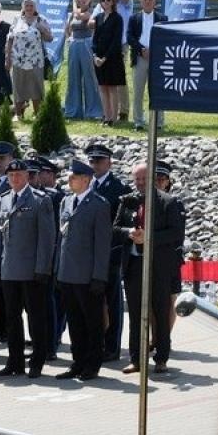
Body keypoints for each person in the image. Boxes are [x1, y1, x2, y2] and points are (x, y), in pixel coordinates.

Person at [117, 161, 185, 374]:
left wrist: (148, 238)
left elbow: (176, 233)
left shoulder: (168, 201)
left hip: (158, 267)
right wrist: (129, 232)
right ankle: (136, 359)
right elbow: (115, 227)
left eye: (144, 179)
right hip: (134, 265)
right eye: (136, 179)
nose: (139, 183)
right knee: (135, 315)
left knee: (160, 313)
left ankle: (162, 358)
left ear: (153, 179)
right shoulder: (127, 201)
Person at [0, 158, 56, 378]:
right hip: (9, 269)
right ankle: (15, 362)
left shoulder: (40, 200)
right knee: (11, 319)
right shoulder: (3, 200)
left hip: (31, 271)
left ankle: (37, 362)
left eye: (19, 175)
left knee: (36, 318)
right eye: (11, 176)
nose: (14, 179)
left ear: (28, 176)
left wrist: (43, 268)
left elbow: (46, 238)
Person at [54, 159, 112, 379]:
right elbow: (62, 239)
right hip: (68, 274)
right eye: (70, 176)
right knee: (75, 322)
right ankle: (77, 362)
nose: (69, 180)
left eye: (74, 177)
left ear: (86, 180)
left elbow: (102, 244)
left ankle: (92, 364)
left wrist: (99, 276)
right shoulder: (66, 202)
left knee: (92, 323)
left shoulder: (99, 204)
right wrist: (59, 270)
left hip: (88, 276)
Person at [87, 142, 129, 362]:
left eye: (100, 161)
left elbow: (121, 222)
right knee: (92, 301)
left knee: (112, 302)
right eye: (92, 161)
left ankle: (112, 347)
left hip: (111, 253)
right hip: (88, 254)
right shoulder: (86, 186)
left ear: (109, 163)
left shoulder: (119, 189)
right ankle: (95, 342)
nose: (96, 165)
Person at [6, 0, 52, 119]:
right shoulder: (17, 19)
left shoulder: (41, 20)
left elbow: (50, 38)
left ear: (35, 7)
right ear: (23, 7)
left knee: (36, 87)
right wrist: (8, 58)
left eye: (31, 5)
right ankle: (18, 114)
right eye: (27, 5)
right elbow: (10, 39)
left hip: (35, 60)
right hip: (18, 60)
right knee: (18, 87)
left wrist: (43, 30)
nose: (29, 8)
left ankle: (38, 114)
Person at [126, 0, 166, 130]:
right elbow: (129, 37)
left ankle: (159, 122)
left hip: (156, 59)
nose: (148, 1)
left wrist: (154, 50)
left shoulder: (162, 18)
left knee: (156, 91)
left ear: (155, 2)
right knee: (138, 91)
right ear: (141, 2)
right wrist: (141, 49)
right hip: (140, 57)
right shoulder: (134, 18)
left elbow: (165, 38)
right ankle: (138, 121)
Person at [62, 0, 103, 120]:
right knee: (73, 77)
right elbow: (67, 28)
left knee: (89, 77)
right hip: (75, 45)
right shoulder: (72, 14)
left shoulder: (90, 12)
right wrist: (69, 38)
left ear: (90, 0)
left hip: (87, 45)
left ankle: (93, 110)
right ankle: (74, 109)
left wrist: (74, 4)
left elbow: (79, 16)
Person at [91, 0, 127, 126]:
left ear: (113, 2)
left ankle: (112, 117)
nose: (105, 2)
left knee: (112, 88)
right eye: (103, 0)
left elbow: (116, 41)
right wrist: (95, 55)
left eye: (108, 0)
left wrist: (105, 58)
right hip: (98, 57)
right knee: (102, 87)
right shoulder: (98, 17)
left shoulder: (117, 18)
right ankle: (105, 116)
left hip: (112, 58)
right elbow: (95, 38)